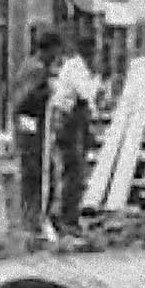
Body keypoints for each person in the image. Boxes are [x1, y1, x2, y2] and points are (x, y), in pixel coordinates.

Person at [46, 33, 101, 236]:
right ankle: (67, 217)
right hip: (69, 123)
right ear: (86, 52)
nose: (95, 57)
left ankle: (67, 214)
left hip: (74, 123)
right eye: (93, 53)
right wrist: (96, 82)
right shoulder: (76, 68)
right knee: (74, 172)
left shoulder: (77, 67)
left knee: (74, 171)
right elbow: (87, 94)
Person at [9, 30, 61, 234]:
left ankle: (30, 218)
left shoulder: (28, 66)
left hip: (26, 127)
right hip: (32, 129)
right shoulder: (37, 70)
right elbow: (25, 99)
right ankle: (34, 220)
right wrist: (47, 92)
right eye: (55, 52)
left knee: (32, 173)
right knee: (38, 173)